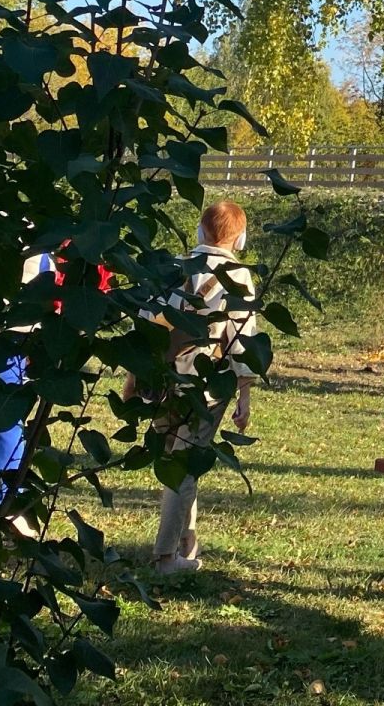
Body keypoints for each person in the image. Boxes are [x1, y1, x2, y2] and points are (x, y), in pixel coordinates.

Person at [150, 200, 261, 575]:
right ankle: (165, 557)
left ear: (199, 230)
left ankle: (187, 544)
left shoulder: (174, 267)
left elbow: (147, 322)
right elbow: (242, 341)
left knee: (177, 461)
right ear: (240, 238)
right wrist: (244, 394)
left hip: (163, 378)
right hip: (205, 383)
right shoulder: (239, 276)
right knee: (185, 466)